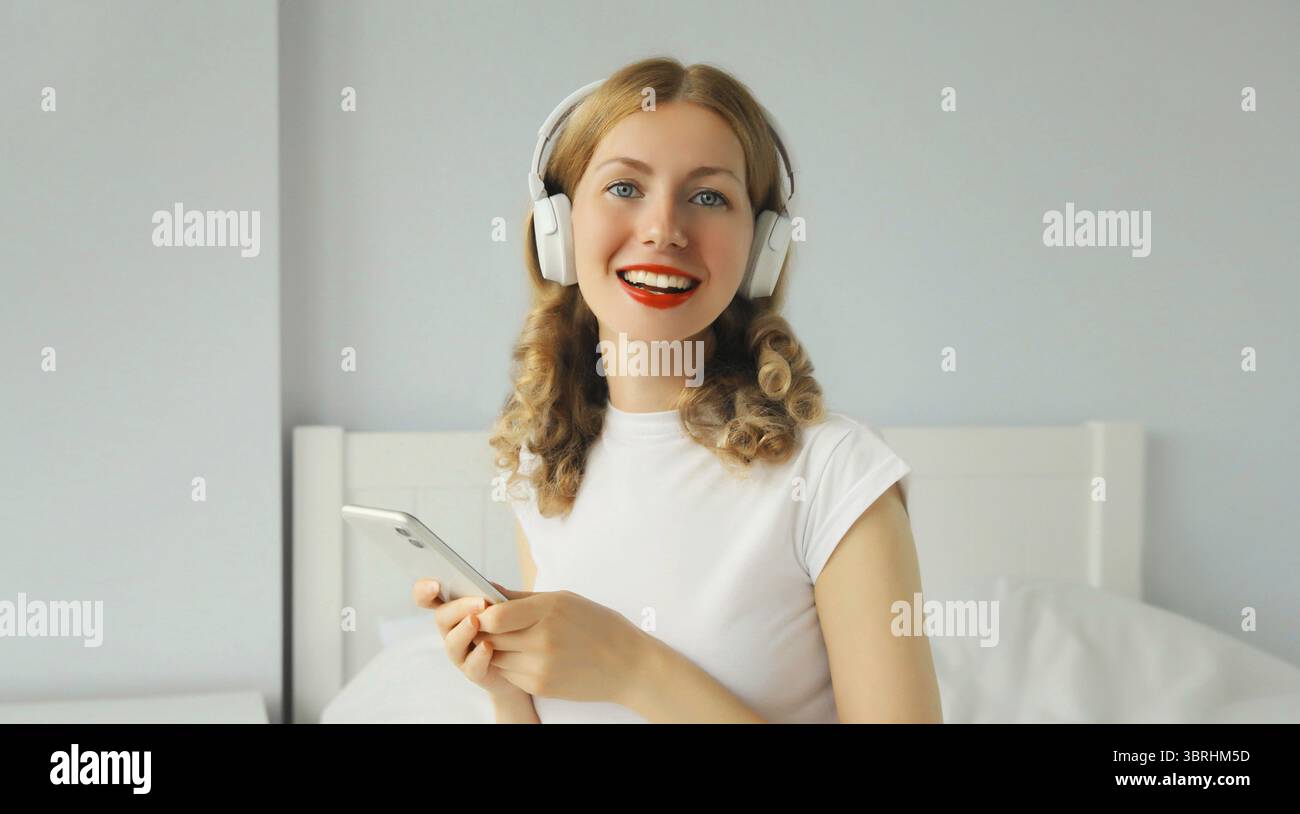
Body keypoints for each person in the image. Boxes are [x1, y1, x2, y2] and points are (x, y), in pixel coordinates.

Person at [413, 56, 943, 724]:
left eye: (709, 196)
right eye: (625, 188)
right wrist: (509, 690)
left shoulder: (837, 477)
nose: (664, 228)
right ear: (560, 226)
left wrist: (632, 668)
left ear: (761, 249)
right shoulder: (542, 467)